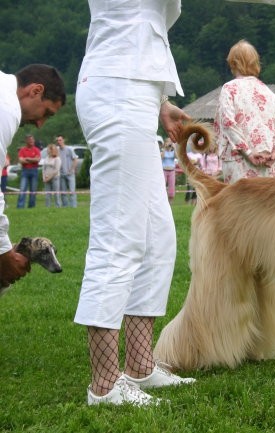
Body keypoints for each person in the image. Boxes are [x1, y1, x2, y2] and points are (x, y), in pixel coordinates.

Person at [74, 0, 195, 406]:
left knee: (158, 240)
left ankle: (140, 366)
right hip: (117, 89)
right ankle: (105, 384)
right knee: (118, 235)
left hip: (136, 90)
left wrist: (159, 102)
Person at [0, 63, 66, 288]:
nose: (40, 124)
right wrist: (3, 253)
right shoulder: (6, 108)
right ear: (35, 91)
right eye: (46, 113)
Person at [214, 39, 275, 184]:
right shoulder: (269, 93)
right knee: (269, 206)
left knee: (240, 206)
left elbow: (228, 123)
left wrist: (248, 152)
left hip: (239, 163)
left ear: (233, 63)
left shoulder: (229, 89)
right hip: (268, 165)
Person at [16, 134, 41, 208]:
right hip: (25, 171)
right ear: (26, 141)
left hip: (34, 171)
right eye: (30, 140)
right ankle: (20, 206)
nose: (32, 141)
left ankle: (31, 206)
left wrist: (27, 158)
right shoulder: (22, 150)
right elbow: (21, 161)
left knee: (33, 190)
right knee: (22, 189)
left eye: (33, 140)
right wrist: (32, 160)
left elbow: (37, 160)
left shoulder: (36, 149)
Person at [56, 134, 79, 208]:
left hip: (70, 174)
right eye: (57, 140)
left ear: (63, 140)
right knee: (63, 192)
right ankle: (65, 206)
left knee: (72, 191)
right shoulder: (57, 150)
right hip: (61, 174)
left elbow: (75, 159)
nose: (58, 142)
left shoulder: (69, 149)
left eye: (60, 140)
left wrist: (71, 169)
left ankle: (73, 206)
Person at [42, 143, 62, 208]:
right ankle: (48, 206)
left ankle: (58, 206)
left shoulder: (57, 159)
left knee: (56, 193)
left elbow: (56, 170)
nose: (48, 151)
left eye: (49, 149)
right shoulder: (46, 158)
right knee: (47, 194)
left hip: (55, 178)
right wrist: (44, 177)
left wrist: (49, 177)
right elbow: (43, 169)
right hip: (46, 178)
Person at [160, 138, 176, 204]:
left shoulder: (173, 152)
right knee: (162, 186)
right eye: (168, 142)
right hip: (164, 171)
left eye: (170, 142)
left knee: (171, 188)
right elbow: (162, 157)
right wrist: (164, 148)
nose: (169, 143)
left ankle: (170, 204)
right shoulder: (163, 151)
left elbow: (176, 156)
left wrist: (174, 148)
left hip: (172, 171)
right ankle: (162, 203)